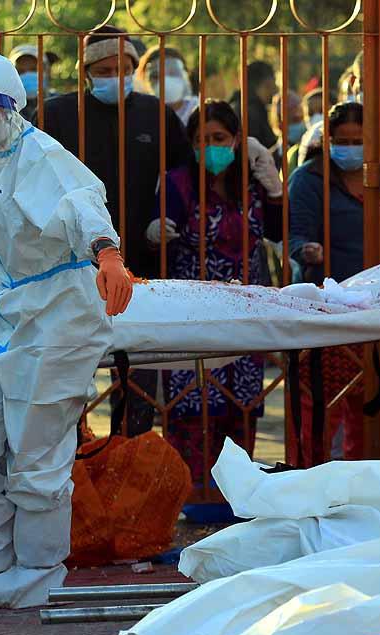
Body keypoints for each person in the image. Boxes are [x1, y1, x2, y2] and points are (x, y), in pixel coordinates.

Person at [0, 53, 133, 609]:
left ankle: (39, 569)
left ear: (11, 109)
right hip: (0, 318)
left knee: (37, 453)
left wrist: (106, 252)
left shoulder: (42, 156)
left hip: (56, 318)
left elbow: (82, 202)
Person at [40, 26, 191, 438]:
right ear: (86, 72)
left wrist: (166, 216)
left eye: (122, 68)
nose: (114, 76)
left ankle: (131, 459)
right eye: (104, 69)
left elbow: (183, 174)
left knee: (137, 375)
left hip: (141, 261)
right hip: (70, 266)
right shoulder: (56, 114)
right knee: (69, 377)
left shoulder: (154, 112)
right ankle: (73, 464)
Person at [145, 100, 284, 481]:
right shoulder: (177, 182)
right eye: (202, 140)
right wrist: (157, 233)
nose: (211, 147)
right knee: (192, 405)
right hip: (193, 312)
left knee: (240, 405)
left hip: (245, 310)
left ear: (238, 140)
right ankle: (190, 492)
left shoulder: (252, 182)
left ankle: (236, 493)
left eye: (219, 138)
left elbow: (276, 232)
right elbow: (162, 232)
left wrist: (275, 192)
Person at [288, 102, 380, 465]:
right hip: (327, 310)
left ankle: (370, 485)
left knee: (378, 411)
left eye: (357, 140)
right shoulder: (309, 179)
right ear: (328, 140)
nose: (348, 148)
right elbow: (295, 234)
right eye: (341, 141)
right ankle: (314, 484)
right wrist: (306, 250)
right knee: (321, 411)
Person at [137, 44, 199, 124]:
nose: (165, 80)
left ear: (185, 74)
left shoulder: (198, 109)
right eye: (156, 76)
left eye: (172, 73)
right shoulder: (142, 115)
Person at [231, 61, 280, 151]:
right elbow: (265, 149)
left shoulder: (235, 106)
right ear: (267, 83)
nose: (276, 88)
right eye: (274, 81)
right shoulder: (253, 113)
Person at [9, 43, 58, 121]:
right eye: (21, 71)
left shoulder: (59, 103)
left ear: (47, 72)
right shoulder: (6, 109)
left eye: (33, 70)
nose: (27, 74)